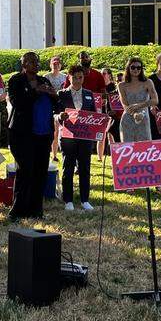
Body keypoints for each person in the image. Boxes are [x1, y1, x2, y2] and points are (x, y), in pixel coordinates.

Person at [6, 51, 57, 220]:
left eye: (37, 61)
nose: (35, 64)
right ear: (23, 64)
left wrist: (53, 95)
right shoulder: (16, 80)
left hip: (44, 134)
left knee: (40, 172)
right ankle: (17, 210)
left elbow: (56, 104)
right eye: (31, 61)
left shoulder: (44, 80)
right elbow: (17, 103)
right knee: (25, 171)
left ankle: (36, 210)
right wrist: (36, 91)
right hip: (22, 134)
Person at [56, 65, 96, 211]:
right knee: (68, 166)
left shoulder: (89, 94)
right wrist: (60, 116)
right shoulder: (61, 94)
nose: (78, 80)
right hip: (68, 136)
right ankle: (68, 200)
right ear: (69, 77)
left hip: (85, 137)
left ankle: (85, 199)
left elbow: (94, 115)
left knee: (85, 167)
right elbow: (55, 113)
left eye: (81, 77)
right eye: (75, 77)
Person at [118, 57, 156, 142]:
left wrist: (139, 105)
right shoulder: (121, 85)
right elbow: (124, 104)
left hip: (143, 117)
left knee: (145, 149)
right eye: (133, 67)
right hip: (127, 119)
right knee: (128, 149)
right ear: (128, 68)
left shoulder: (148, 82)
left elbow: (155, 100)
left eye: (139, 67)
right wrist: (134, 113)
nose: (136, 69)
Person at [44, 56, 68, 160]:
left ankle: (59, 153)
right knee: (52, 130)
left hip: (60, 105)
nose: (56, 66)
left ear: (60, 65)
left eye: (57, 64)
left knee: (61, 129)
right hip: (49, 105)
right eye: (54, 64)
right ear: (50, 65)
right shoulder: (46, 77)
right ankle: (53, 154)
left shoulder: (65, 77)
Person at [99, 66, 121, 159]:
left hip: (114, 115)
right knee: (100, 136)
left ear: (109, 75)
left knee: (111, 134)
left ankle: (115, 155)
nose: (102, 75)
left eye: (104, 73)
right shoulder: (99, 86)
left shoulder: (113, 87)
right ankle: (100, 157)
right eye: (101, 73)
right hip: (101, 112)